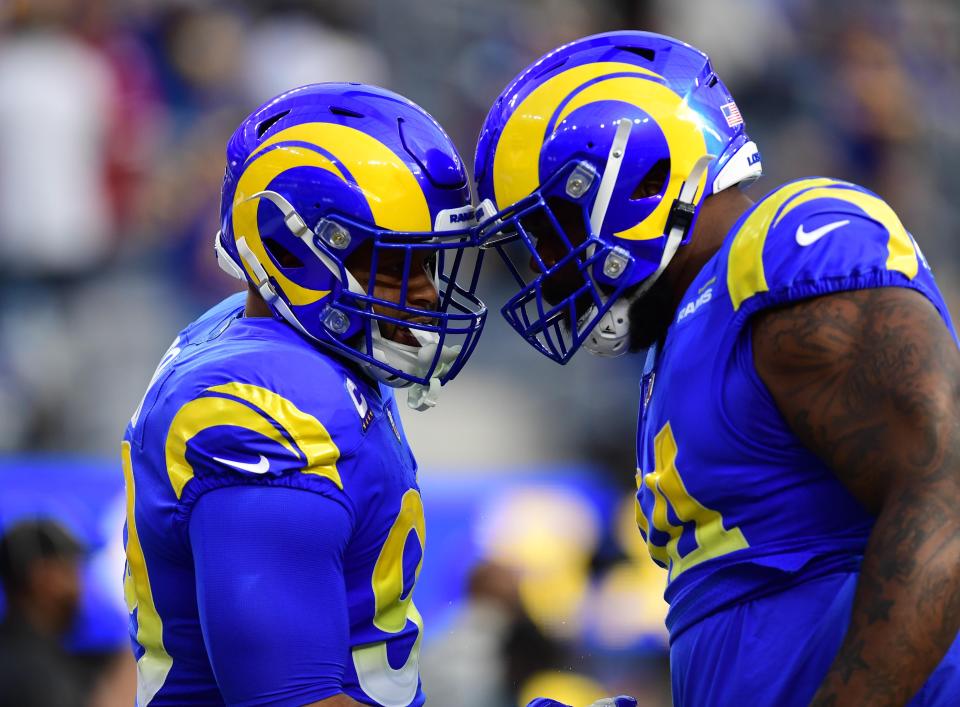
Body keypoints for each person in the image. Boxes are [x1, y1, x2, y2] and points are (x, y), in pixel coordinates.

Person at [472, 31, 960, 706]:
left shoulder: (783, 249)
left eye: (552, 231)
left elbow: (946, 493)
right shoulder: (677, 343)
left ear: (642, 176)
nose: (546, 273)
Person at [121, 82, 488, 706]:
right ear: (292, 249)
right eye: (397, 262)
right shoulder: (258, 408)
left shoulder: (288, 343)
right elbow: (293, 700)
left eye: (431, 262)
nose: (427, 292)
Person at [0, 519, 86, 707]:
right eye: (69, 569)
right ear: (42, 576)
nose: (79, 585)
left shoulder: (40, 656)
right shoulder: (33, 671)